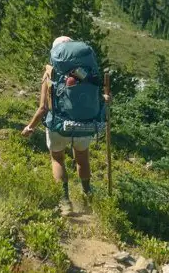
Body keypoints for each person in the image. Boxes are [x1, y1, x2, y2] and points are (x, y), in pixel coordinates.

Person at [22, 36, 110, 215]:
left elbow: (43, 107)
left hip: (58, 125)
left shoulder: (50, 73)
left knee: (57, 159)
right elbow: (98, 98)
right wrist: (106, 100)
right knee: (82, 158)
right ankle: (87, 197)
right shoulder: (87, 72)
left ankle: (65, 202)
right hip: (85, 125)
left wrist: (30, 127)